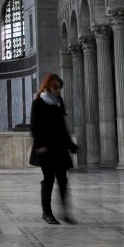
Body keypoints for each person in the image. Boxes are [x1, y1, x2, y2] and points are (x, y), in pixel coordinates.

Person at [30, 73, 78, 225]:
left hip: (59, 148)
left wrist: (71, 145)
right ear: (48, 86)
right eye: (55, 87)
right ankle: (47, 213)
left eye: (59, 87)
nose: (58, 90)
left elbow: (62, 127)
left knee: (63, 180)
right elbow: (34, 127)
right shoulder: (38, 102)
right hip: (45, 149)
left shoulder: (58, 102)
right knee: (49, 180)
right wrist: (40, 146)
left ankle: (65, 212)